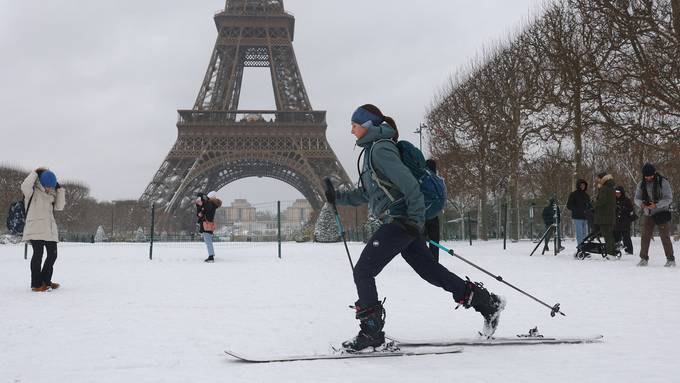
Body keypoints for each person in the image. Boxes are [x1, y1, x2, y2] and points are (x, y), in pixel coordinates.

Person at [326, 104, 505, 352]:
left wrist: (415, 219)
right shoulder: (371, 152)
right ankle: (487, 302)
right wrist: (337, 197)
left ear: (367, 125)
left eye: (354, 125)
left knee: (364, 271)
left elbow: (409, 183)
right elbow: (367, 193)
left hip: (401, 222)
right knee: (429, 270)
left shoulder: (380, 149)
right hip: (403, 222)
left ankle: (371, 332)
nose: (352, 130)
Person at [21, 168, 66, 292]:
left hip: (49, 229)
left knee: (52, 255)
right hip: (35, 228)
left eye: (50, 186)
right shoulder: (31, 191)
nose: (48, 188)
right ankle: (36, 284)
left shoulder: (52, 194)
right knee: (38, 254)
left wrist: (59, 189)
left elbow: (60, 206)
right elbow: (24, 185)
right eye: (46, 186)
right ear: (40, 182)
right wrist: (36, 172)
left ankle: (46, 280)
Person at [633, 163, 674, 267]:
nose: (648, 178)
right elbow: (636, 198)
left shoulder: (663, 182)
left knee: (665, 237)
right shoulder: (641, 184)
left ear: (654, 173)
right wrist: (641, 204)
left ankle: (670, 259)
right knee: (645, 236)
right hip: (648, 213)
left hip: (661, 213)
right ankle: (643, 258)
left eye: (650, 175)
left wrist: (656, 205)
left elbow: (668, 198)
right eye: (646, 176)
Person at [593, 172, 617, 256]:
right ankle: (613, 251)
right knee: (609, 235)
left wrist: (593, 204)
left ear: (602, 179)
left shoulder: (605, 188)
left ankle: (611, 253)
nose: (597, 180)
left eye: (598, 179)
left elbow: (601, 201)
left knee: (607, 235)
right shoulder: (611, 187)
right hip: (610, 215)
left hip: (604, 215)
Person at [196, 191, 222, 263]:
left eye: (208, 197)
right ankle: (211, 255)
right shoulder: (212, 205)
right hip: (208, 225)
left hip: (206, 225)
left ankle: (211, 257)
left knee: (208, 242)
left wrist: (202, 200)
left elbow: (203, 211)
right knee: (208, 241)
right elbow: (201, 212)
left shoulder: (210, 205)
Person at [566, 179, 592, 246]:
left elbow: (589, 205)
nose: (583, 186)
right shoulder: (573, 194)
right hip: (577, 217)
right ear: (578, 185)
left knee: (584, 234)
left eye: (584, 185)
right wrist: (576, 210)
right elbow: (569, 205)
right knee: (579, 233)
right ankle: (580, 247)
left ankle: (584, 247)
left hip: (585, 217)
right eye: (581, 185)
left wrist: (589, 211)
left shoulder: (586, 195)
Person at [424, 159, 440, 263]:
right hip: (434, 214)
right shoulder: (438, 181)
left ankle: (424, 260)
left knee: (421, 239)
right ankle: (434, 261)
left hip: (422, 214)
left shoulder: (422, 179)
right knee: (434, 240)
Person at [613, 186, 636, 255]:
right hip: (616, 221)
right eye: (616, 193)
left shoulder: (626, 200)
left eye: (618, 193)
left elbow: (631, 210)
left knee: (626, 237)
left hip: (625, 221)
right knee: (616, 236)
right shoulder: (613, 200)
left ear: (621, 193)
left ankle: (629, 250)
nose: (617, 194)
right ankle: (616, 249)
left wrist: (622, 208)